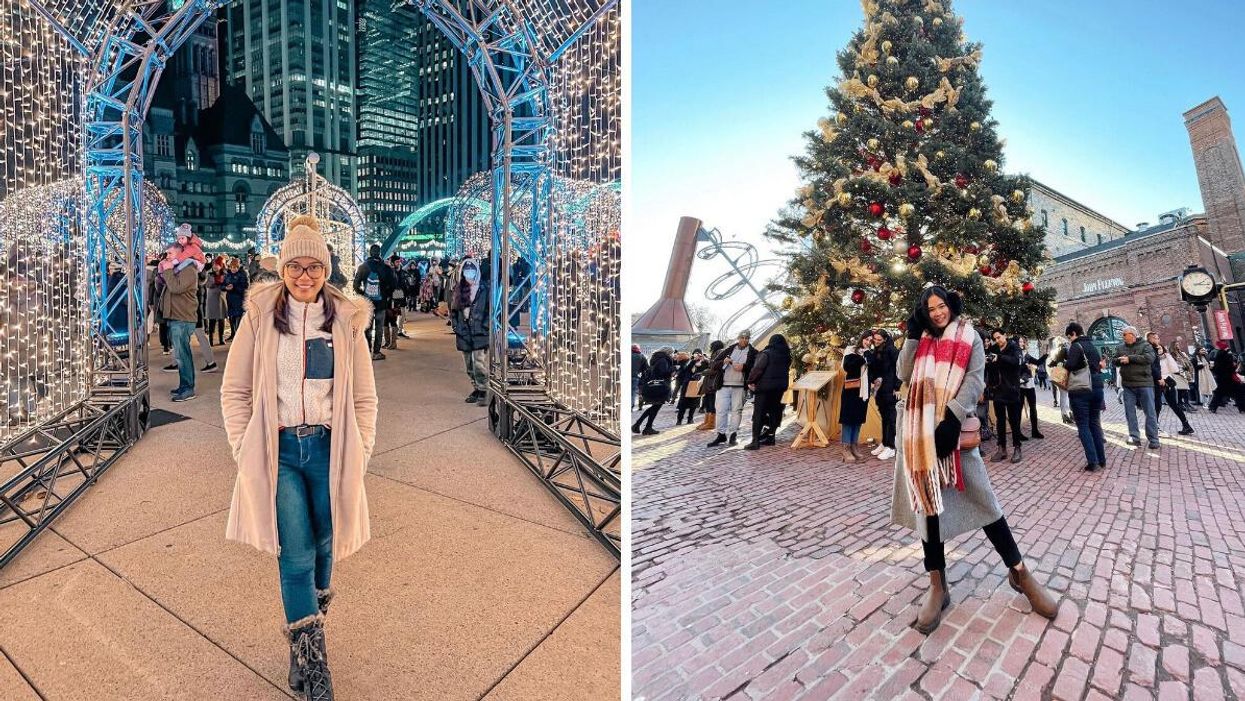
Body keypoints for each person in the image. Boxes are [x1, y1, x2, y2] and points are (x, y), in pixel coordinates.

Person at [220, 214, 377, 701]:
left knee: (328, 545)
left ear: (327, 270)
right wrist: (243, 446)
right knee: (298, 553)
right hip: (281, 452)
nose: (304, 276)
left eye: (314, 266)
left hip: (331, 450)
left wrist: (362, 450)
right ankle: (316, 667)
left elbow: (365, 398)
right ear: (282, 269)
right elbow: (235, 390)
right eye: (295, 266)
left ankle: (299, 643)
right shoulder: (260, 316)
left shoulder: (348, 321)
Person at [892, 286, 1058, 635]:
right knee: (929, 509)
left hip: (953, 432)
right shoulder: (919, 337)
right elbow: (904, 374)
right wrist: (910, 335)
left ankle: (1020, 572)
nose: (937, 313)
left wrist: (952, 417)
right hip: (918, 434)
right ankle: (938, 584)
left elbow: (975, 378)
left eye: (941, 306)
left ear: (951, 305)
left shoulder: (969, 336)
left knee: (985, 504)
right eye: (930, 308)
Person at [159, 243, 200, 402]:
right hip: (176, 316)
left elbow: (176, 288)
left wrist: (168, 270)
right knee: (180, 355)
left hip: (183, 318)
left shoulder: (188, 269)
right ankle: (184, 385)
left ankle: (188, 388)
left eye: (170, 253)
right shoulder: (178, 270)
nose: (167, 256)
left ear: (180, 254)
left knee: (183, 355)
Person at [1064, 323, 1107, 472]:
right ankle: (1102, 460)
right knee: (1094, 423)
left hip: (1082, 389)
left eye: (1070, 337)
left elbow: (1070, 366)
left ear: (1074, 333)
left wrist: (1064, 362)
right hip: (1097, 387)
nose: (1070, 340)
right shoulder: (1092, 345)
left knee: (1083, 425)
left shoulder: (1076, 346)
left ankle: (1092, 462)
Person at [448, 257, 489, 405]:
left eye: (472, 271)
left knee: (479, 362)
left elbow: (490, 311)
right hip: (464, 332)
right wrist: (456, 326)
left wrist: (485, 326)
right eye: (466, 271)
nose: (469, 273)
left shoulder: (484, 289)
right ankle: (476, 387)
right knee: (469, 365)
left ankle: (484, 389)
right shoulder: (458, 289)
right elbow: (453, 310)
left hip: (480, 332)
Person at [706, 330, 757, 448]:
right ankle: (721, 434)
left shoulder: (753, 352)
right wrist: (723, 362)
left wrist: (744, 367)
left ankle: (733, 434)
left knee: (737, 410)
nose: (744, 340)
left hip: (740, 386)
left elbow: (755, 367)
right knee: (720, 410)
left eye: (747, 338)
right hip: (723, 385)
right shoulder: (728, 350)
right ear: (738, 338)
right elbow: (713, 364)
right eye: (742, 337)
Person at [744, 334, 791, 450]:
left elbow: (757, 369)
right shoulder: (787, 356)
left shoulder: (766, 353)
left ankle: (755, 441)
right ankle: (771, 437)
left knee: (759, 413)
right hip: (779, 388)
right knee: (775, 412)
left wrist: (750, 381)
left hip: (764, 388)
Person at [1116, 325, 1159, 448]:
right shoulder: (1120, 347)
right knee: (1130, 412)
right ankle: (1134, 437)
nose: (1123, 337)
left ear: (1133, 335)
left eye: (1125, 334)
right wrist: (1119, 360)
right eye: (1123, 335)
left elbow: (1150, 358)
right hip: (1128, 384)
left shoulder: (1145, 345)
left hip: (1144, 383)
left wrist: (1130, 359)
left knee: (1150, 412)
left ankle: (1154, 439)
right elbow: (1114, 360)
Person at [984, 329, 1024, 463]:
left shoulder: (1014, 347)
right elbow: (991, 369)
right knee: (1000, 421)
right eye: (995, 339)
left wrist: (999, 358)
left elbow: (1017, 362)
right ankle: (1002, 449)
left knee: (1014, 421)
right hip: (998, 390)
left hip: (1012, 390)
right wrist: (987, 362)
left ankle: (1017, 448)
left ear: (1005, 335)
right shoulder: (994, 348)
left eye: (999, 337)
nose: (997, 341)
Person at [353, 244, 398, 361]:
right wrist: (386, 295)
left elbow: (355, 285)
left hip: (367, 303)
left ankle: (367, 350)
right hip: (381, 303)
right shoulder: (386, 267)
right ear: (379, 253)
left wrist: (363, 295)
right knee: (379, 327)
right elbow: (393, 284)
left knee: (367, 327)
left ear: (370, 253)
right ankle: (376, 352)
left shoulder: (363, 267)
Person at [835, 337, 869, 462]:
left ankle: (854, 446)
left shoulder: (870, 353)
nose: (868, 342)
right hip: (851, 390)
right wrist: (862, 357)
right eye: (867, 339)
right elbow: (847, 367)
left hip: (863, 391)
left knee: (858, 419)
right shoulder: (851, 350)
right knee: (848, 419)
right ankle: (846, 448)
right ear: (862, 339)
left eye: (871, 340)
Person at [868, 329, 899, 460]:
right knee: (884, 416)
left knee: (891, 418)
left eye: (879, 340)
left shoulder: (892, 350)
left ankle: (891, 447)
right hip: (879, 388)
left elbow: (899, 368)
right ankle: (884, 443)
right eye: (875, 339)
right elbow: (874, 369)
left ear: (885, 339)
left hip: (890, 387)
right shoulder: (875, 351)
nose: (876, 342)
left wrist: (897, 387)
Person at [633, 347, 674, 435]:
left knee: (655, 407)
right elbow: (663, 372)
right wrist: (673, 369)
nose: (672, 355)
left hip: (654, 385)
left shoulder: (656, 358)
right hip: (660, 386)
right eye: (671, 353)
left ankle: (645, 426)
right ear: (668, 353)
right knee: (656, 407)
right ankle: (641, 425)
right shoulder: (663, 359)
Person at [1156, 345, 1195, 435]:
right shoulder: (1152, 357)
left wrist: (1168, 357)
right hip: (1157, 381)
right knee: (1157, 405)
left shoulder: (1167, 357)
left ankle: (1186, 425)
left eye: (1160, 348)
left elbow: (1174, 368)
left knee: (1174, 405)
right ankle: (1156, 426)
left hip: (1168, 381)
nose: (1159, 350)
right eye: (1157, 348)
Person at [695, 340, 726, 431]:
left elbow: (715, 367)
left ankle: (711, 423)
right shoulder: (718, 353)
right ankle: (707, 421)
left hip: (713, 381)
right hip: (711, 381)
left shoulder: (718, 353)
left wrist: (705, 372)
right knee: (708, 401)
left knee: (711, 402)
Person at [1018, 338, 1045, 439]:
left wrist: (1046, 354)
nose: (1022, 343)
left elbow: (1037, 362)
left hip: (1029, 383)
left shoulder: (1026, 354)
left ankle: (1035, 431)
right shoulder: (1015, 354)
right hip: (1020, 384)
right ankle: (1018, 433)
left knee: (1033, 407)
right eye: (1019, 342)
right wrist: (1025, 366)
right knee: (1018, 409)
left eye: (1022, 342)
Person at [1207, 340, 1243, 412]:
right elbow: (1229, 366)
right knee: (1238, 392)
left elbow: (1217, 367)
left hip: (1223, 378)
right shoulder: (1225, 354)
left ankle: (1212, 407)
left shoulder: (1219, 354)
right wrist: (1234, 368)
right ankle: (1242, 407)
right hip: (1227, 377)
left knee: (1220, 393)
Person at [675, 350, 708, 425]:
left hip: (696, 384)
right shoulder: (686, 363)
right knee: (683, 403)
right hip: (687, 385)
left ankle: (690, 419)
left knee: (694, 402)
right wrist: (694, 361)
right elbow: (686, 369)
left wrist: (704, 360)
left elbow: (706, 367)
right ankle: (679, 420)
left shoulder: (701, 363)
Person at [223, 257, 250, 341]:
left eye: (235, 267)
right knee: (231, 317)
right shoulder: (227, 275)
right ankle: (233, 333)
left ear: (238, 267)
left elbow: (245, 288)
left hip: (239, 299)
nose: (233, 269)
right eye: (231, 267)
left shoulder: (243, 275)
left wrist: (234, 287)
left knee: (238, 316)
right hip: (230, 299)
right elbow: (222, 285)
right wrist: (225, 287)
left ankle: (238, 334)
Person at [205, 256, 228, 345]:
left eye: (217, 265)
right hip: (212, 299)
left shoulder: (225, 274)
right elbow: (207, 284)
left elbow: (227, 284)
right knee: (212, 320)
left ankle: (221, 338)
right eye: (214, 264)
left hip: (222, 298)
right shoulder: (209, 274)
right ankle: (210, 339)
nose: (215, 266)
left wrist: (225, 286)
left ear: (221, 265)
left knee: (222, 319)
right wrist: (215, 282)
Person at [631, 344, 648, 411]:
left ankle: (630, 406)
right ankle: (638, 405)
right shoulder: (642, 356)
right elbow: (646, 368)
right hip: (638, 377)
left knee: (631, 392)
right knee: (637, 392)